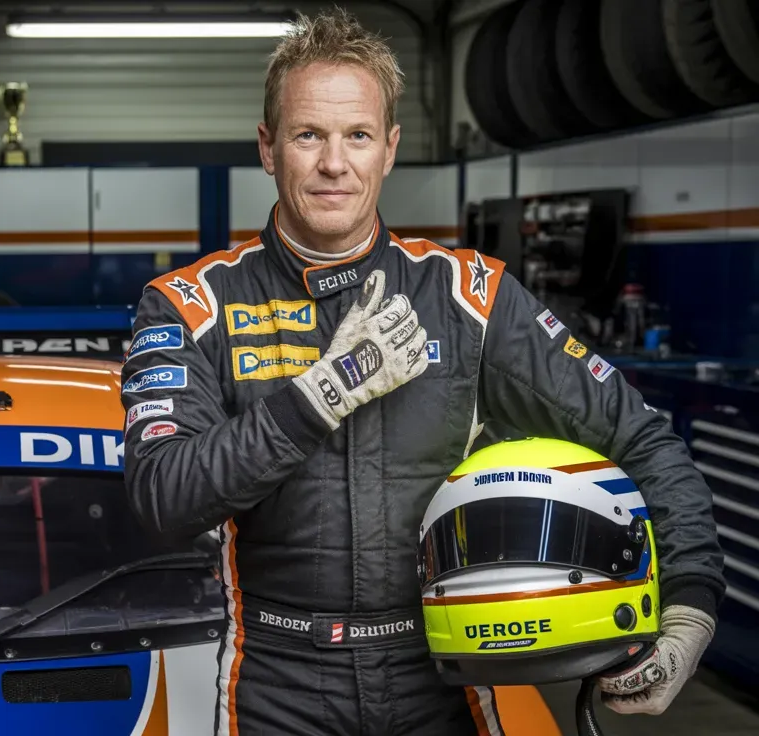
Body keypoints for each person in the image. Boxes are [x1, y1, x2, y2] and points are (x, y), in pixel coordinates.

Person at [119, 7, 725, 735]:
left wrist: (690, 608)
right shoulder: (190, 305)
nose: (334, 163)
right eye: (308, 134)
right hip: (273, 680)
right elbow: (162, 499)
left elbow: (642, 439)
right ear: (268, 146)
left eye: (358, 136)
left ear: (390, 148)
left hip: (447, 666)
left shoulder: (470, 297)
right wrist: (321, 392)